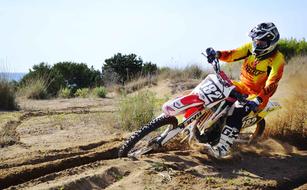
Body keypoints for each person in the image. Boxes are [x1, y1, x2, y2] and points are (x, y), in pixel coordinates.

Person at [204, 22, 285, 158]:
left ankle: (222, 149)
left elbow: (272, 83)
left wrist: (258, 99)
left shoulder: (277, 60)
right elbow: (232, 54)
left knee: (238, 110)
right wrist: (217, 54)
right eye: (255, 41)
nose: (257, 45)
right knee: (216, 88)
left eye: (261, 43)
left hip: (259, 95)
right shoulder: (250, 48)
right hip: (242, 85)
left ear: (271, 42)